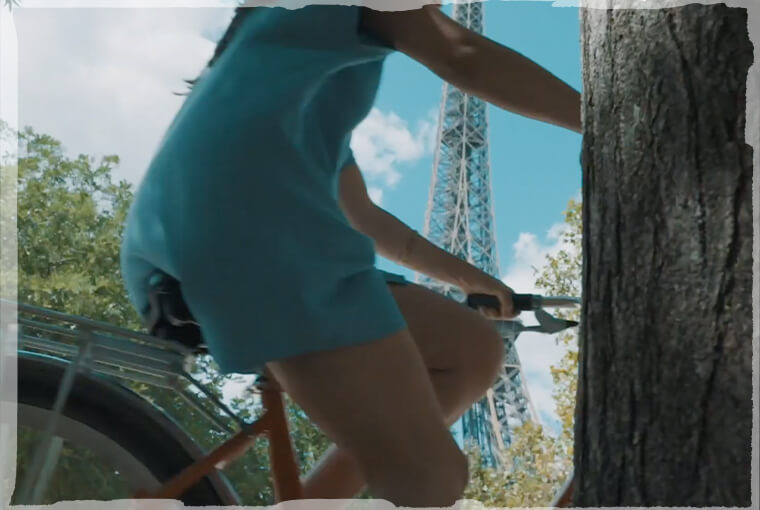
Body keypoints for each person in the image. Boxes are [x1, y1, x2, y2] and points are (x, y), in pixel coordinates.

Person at [120, 2, 581, 506]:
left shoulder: (284, 93)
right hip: (259, 229)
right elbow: (463, 53)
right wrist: (598, 117)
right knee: (430, 478)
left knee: (470, 349)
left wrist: (475, 281)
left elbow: (370, 221)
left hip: (197, 235)